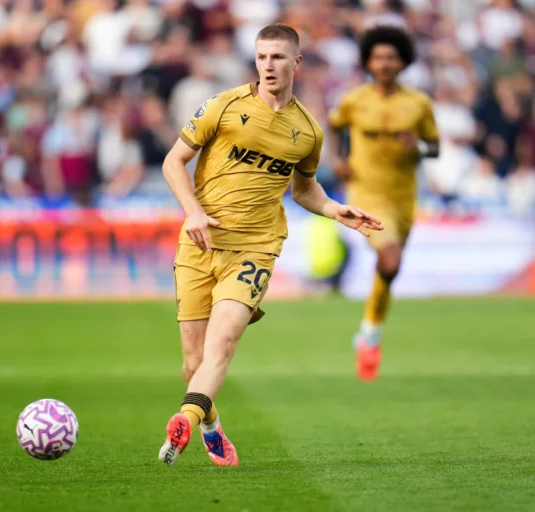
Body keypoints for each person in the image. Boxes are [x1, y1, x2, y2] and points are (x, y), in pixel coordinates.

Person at [158, 23, 383, 467]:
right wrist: (193, 212)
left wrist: (335, 208)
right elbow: (173, 162)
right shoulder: (224, 105)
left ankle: (184, 418)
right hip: (200, 243)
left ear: (296, 62)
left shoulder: (308, 131)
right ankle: (208, 422)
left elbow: (305, 190)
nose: (268, 65)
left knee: (223, 343)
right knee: (193, 363)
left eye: (278, 57)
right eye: (262, 57)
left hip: (255, 248)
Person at [328, 26, 440, 382]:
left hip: (403, 196)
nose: (384, 63)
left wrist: (416, 148)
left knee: (390, 268)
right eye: (378, 57)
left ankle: (369, 332)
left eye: (391, 57)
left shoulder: (418, 103)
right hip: (366, 193)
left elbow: (434, 147)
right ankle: (371, 332)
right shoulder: (354, 100)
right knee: (390, 258)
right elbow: (334, 127)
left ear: (403, 61)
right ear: (368, 62)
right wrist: (339, 159)